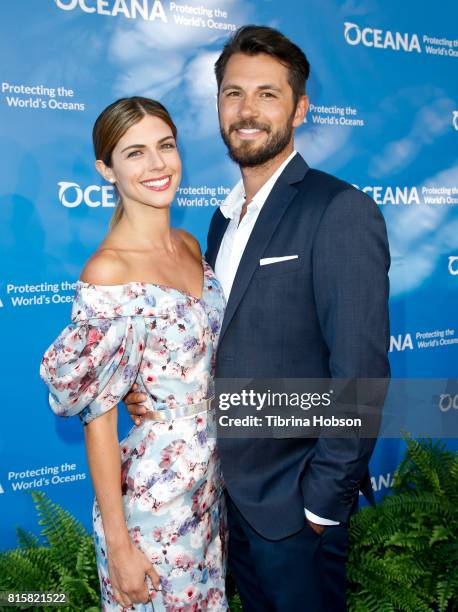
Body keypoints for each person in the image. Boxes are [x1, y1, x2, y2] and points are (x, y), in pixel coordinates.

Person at [125, 26, 391, 612]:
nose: (247, 111)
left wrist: (320, 504)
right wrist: (155, 395)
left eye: (267, 95)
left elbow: (360, 372)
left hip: (295, 508)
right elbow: (220, 344)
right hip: (220, 499)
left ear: (300, 108)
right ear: (218, 104)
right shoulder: (220, 222)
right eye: (233, 94)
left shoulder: (338, 210)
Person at [40, 97, 228, 611]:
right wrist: (121, 547)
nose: (157, 164)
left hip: (214, 489)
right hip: (155, 504)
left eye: (165, 146)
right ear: (106, 170)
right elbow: (96, 422)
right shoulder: (108, 272)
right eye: (135, 152)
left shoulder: (190, 245)